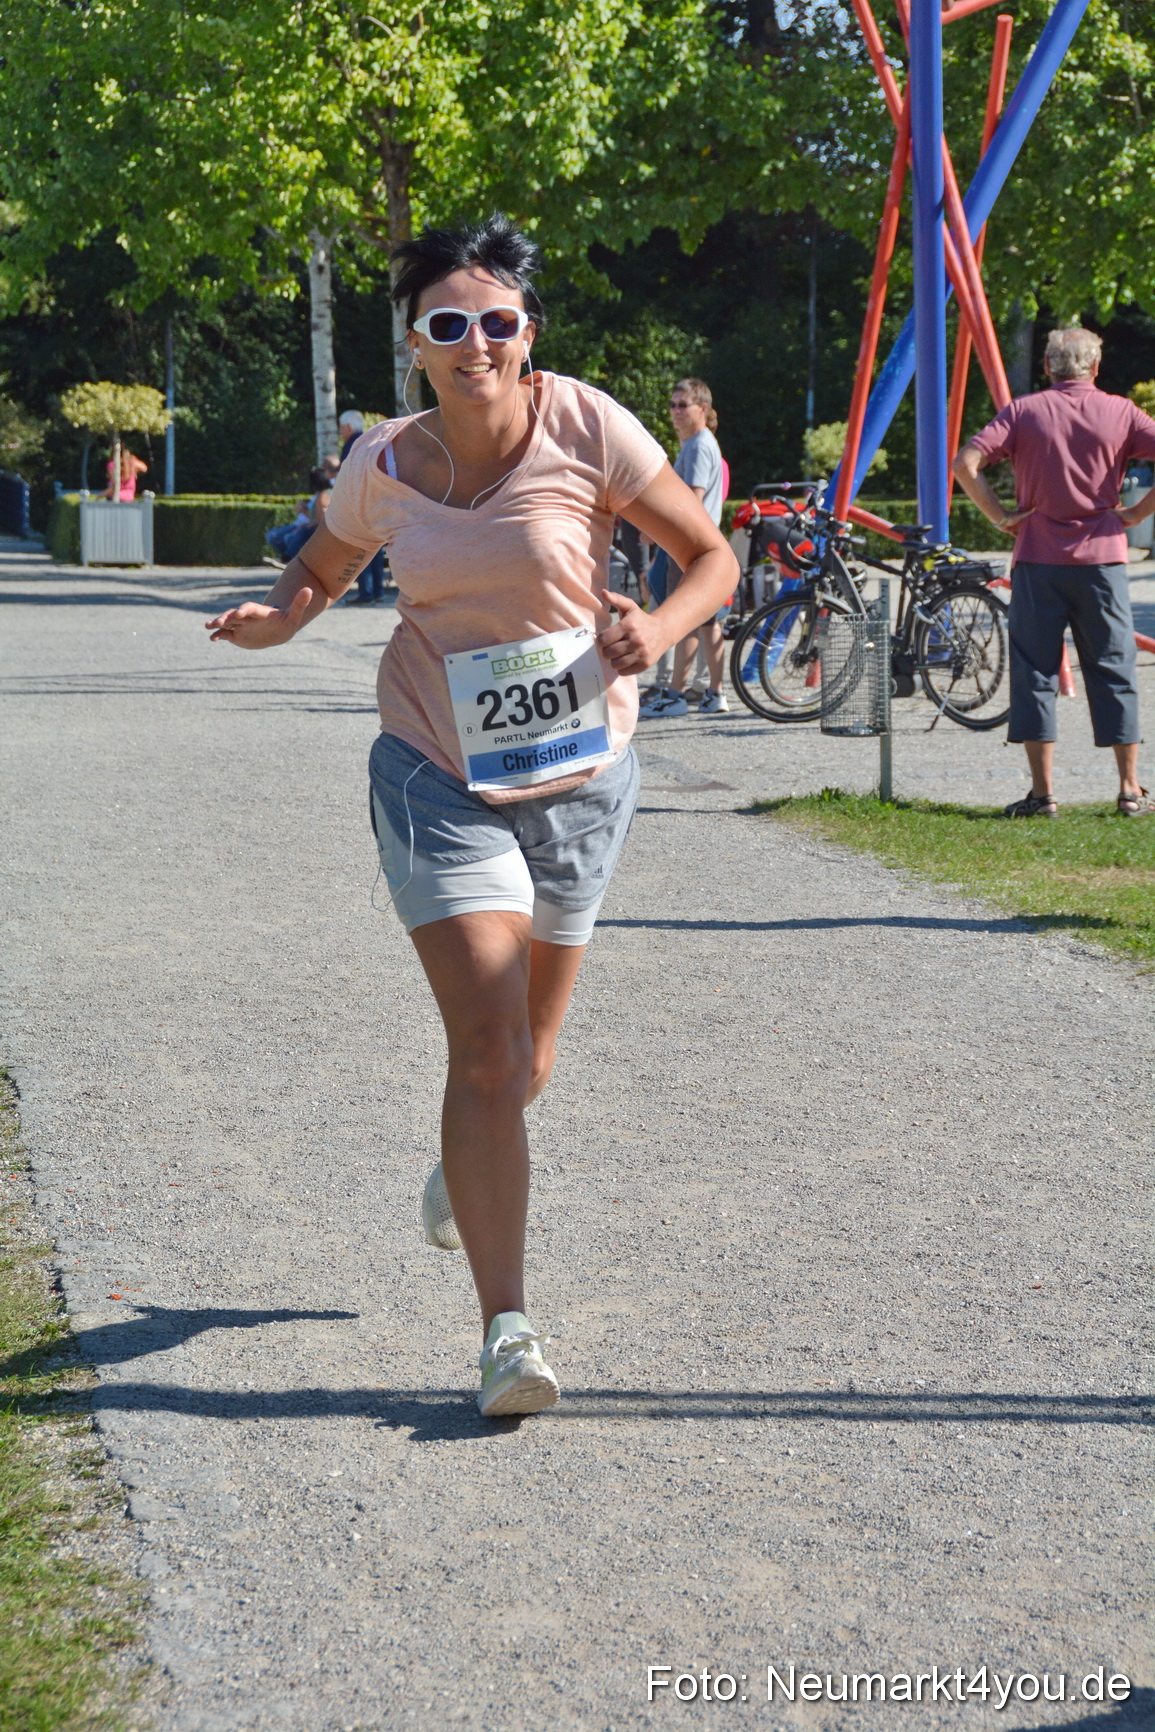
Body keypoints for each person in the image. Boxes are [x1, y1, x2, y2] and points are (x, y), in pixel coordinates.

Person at [205, 214, 737, 1418]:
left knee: (530, 1061)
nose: (476, 341)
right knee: (489, 1044)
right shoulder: (387, 464)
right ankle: (508, 1330)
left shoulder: (590, 425)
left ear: (527, 334)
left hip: (584, 774)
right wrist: (280, 618)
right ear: (416, 346)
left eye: (498, 321)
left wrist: (654, 630)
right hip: (436, 768)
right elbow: (323, 569)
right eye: (450, 324)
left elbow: (712, 556)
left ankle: (466, 1164)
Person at [953, 326, 1155, 818]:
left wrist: (1001, 517)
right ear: (1096, 368)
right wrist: (1136, 514)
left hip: (1038, 558)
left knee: (1035, 671)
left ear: (1047, 366)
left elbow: (966, 463)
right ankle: (1130, 790)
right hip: (1103, 559)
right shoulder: (1122, 412)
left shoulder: (1024, 412)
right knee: (1114, 669)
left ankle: (1042, 795)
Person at [639, 378, 729, 716]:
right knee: (707, 623)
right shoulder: (701, 443)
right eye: (673, 405)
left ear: (702, 409)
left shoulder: (697, 446)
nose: (675, 411)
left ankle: (675, 696)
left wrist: (659, 531)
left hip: (690, 547)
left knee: (688, 621)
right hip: (702, 545)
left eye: (683, 405)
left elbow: (692, 501)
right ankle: (714, 694)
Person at [338, 410, 388, 605]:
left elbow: (347, 479)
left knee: (360, 549)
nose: (341, 432)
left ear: (348, 427)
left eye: (341, 428)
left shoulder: (351, 446)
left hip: (360, 505)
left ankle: (366, 592)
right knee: (374, 548)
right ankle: (377, 590)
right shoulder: (371, 442)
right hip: (377, 503)